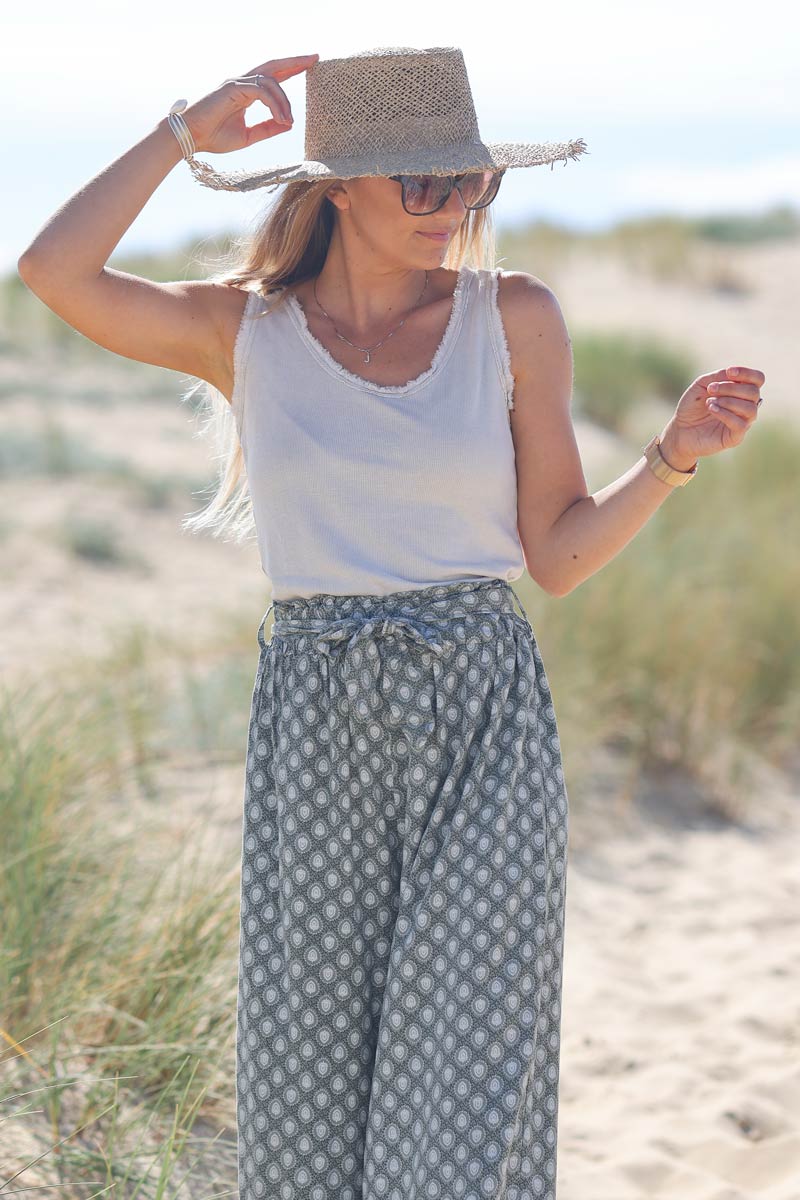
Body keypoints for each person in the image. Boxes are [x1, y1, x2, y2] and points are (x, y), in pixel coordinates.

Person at [17, 45, 765, 1200]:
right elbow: (53, 271)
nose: (453, 207)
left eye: (469, 182)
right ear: (336, 191)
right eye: (422, 184)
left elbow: (555, 556)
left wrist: (668, 460)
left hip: (478, 714)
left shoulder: (512, 317)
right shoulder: (242, 333)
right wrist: (181, 135)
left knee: (464, 1086)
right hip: (315, 722)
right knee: (307, 1080)